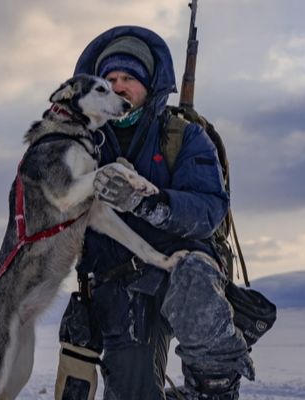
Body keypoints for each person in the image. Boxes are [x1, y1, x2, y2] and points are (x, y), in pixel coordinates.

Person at [54, 26, 254, 400]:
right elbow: (51, 203)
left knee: (195, 280)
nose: (118, 86)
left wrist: (149, 202)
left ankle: (211, 388)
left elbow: (208, 208)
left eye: (128, 77)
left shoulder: (184, 137)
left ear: (149, 84)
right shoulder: (81, 145)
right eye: (109, 80)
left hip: (181, 271)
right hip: (118, 285)